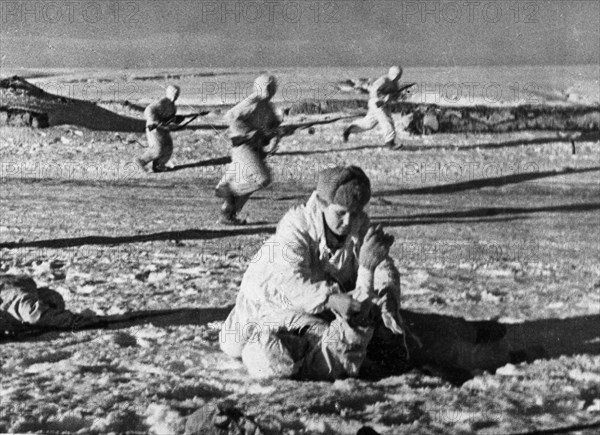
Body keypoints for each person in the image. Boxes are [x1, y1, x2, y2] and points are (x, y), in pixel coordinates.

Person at [219, 165, 406, 380]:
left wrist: (389, 296)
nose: (347, 222)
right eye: (340, 213)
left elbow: (381, 264)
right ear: (322, 204)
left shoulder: (359, 226)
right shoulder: (296, 226)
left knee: (329, 347)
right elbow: (290, 281)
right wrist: (329, 298)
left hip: (309, 310)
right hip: (266, 301)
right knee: (236, 347)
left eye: (354, 213)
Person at [214, 74, 281, 225]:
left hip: (254, 149)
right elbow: (230, 116)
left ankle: (228, 215)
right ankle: (229, 190)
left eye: (272, 87)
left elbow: (272, 128)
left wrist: (273, 138)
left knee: (248, 183)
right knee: (262, 179)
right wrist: (249, 132)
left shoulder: (268, 107)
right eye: (268, 86)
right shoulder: (252, 101)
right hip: (243, 146)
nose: (270, 90)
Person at [1, 274, 98, 334]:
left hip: (8, 288)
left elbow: (33, 313)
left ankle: (71, 319)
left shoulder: (14, 299)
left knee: (32, 314)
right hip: (13, 287)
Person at [343, 66, 408, 150]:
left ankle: (349, 129)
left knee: (368, 123)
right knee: (387, 121)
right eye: (398, 74)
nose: (399, 76)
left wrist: (396, 96)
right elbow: (374, 91)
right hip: (376, 103)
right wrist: (383, 98)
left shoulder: (395, 84)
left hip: (384, 104)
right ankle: (390, 143)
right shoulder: (383, 80)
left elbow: (394, 96)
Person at [137, 85, 181, 173]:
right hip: (154, 129)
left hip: (164, 128)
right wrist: (155, 122)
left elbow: (170, 119)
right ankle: (141, 162)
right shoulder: (161, 102)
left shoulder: (173, 107)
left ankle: (158, 165)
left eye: (177, 94)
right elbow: (148, 110)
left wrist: (175, 122)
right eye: (174, 93)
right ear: (168, 93)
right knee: (158, 148)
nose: (175, 95)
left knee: (168, 147)